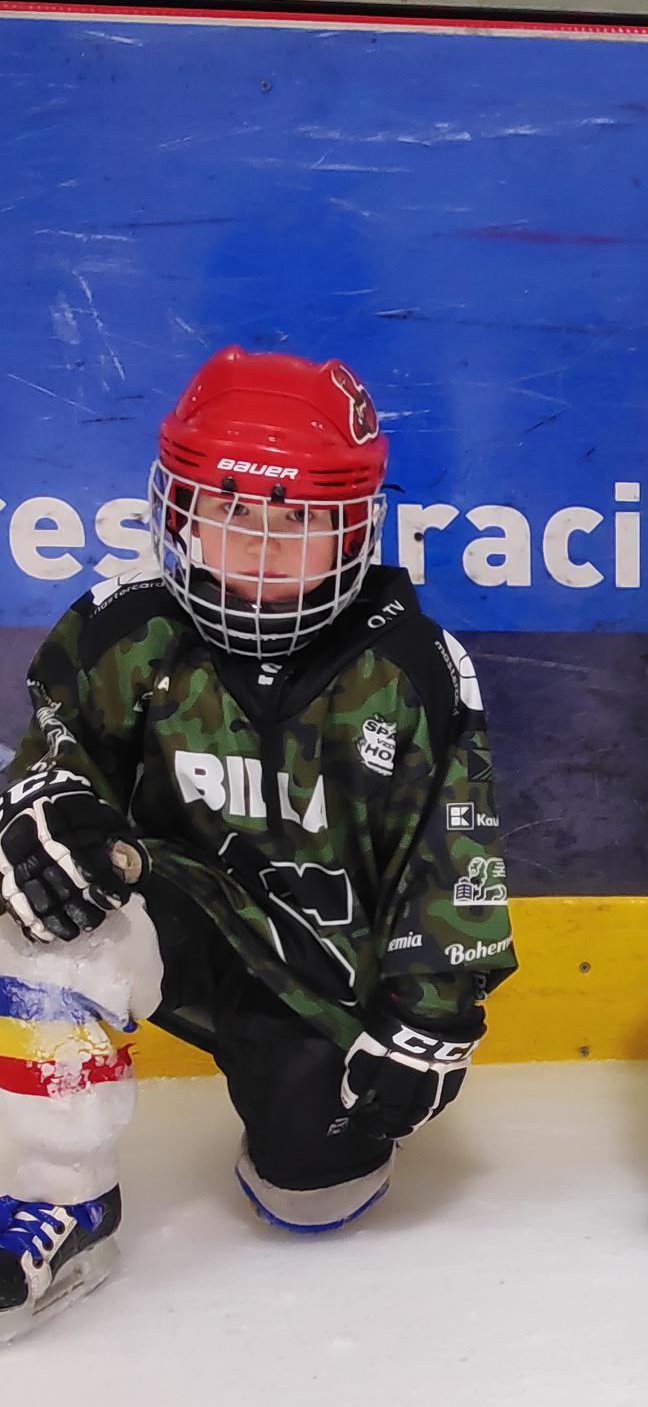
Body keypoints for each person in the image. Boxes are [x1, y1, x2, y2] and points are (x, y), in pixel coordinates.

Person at [0, 345, 516, 1336]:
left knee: (310, 1196)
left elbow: (456, 853)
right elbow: (49, 760)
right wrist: (43, 810)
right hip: (176, 915)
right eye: (234, 512)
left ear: (353, 526)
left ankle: (295, 1114)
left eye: (300, 520)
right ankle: (68, 1198)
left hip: (321, 974)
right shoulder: (126, 633)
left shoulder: (409, 665)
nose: (264, 542)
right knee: (52, 903)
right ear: (180, 510)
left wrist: (431, 1023)